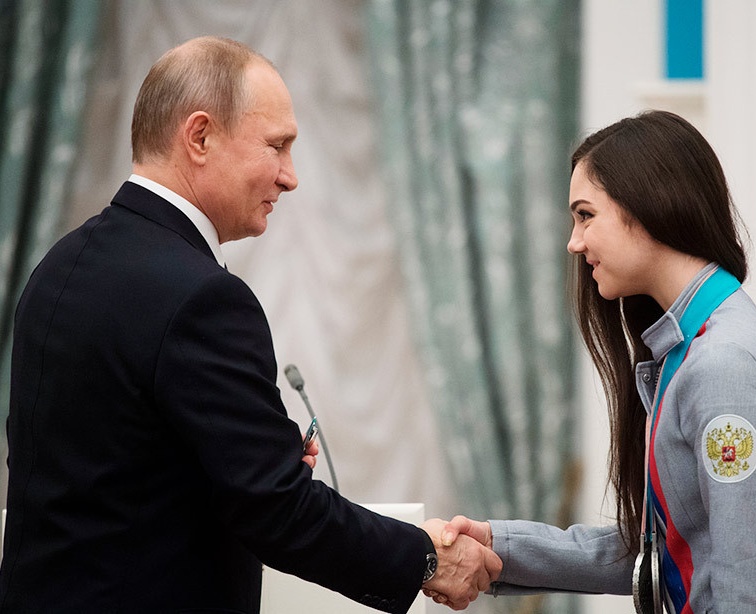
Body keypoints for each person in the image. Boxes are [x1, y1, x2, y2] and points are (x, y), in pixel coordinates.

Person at [0, 36, 500, 614]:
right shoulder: (202, 297)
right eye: (277, 146)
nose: (290, 177)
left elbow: (111, 471)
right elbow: (277, 509)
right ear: (200, 137)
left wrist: (245, 458)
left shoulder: (57, 265)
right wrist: (426, 557)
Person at [428, 110, 756, 612]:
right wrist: (500, 547)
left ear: (649, 203)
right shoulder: (690, 347)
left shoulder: (724, 366)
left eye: (586, 215)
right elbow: (660, 554)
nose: (574, 241)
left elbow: (746, 589)